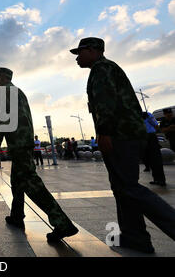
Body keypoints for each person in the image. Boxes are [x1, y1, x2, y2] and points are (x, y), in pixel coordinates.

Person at [71, 37, 175, 253]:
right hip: (126, 133)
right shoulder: (106, 68)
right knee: (121, 188)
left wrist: (104, 132)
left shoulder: (102, 69)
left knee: (128, 187)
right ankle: (135, 237)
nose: (77, 58)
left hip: (121, 134)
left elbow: (106, 103)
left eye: (79, 53)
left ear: (92, 50)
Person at [0, 67, 78, 241]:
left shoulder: (6, 91)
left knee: (31, 184)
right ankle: (16, 216)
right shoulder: (17, 91)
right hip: (23, 142)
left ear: (3, 77)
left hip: (19, 143)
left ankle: (62, 223)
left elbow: (4, 118)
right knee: (17, 181)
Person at [142, 112, 166, 186]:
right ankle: (156, 179)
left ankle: (161, 179)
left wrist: (148, 120)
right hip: (141, 137)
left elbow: (156, 125)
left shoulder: (147, 114)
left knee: (156, 158)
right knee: (149, 158)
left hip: (150, 136)